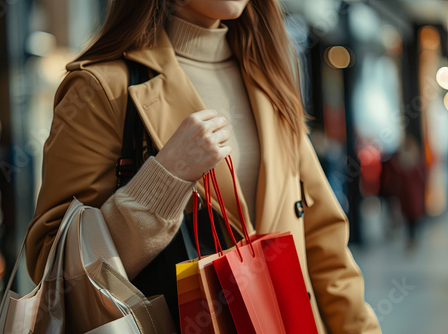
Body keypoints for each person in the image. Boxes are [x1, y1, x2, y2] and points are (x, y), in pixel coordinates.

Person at [25, 0, 381, 332]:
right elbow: (55, 273)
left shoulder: (268, 75)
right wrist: (164, 180)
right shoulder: (102, 88)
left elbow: (324, 244)